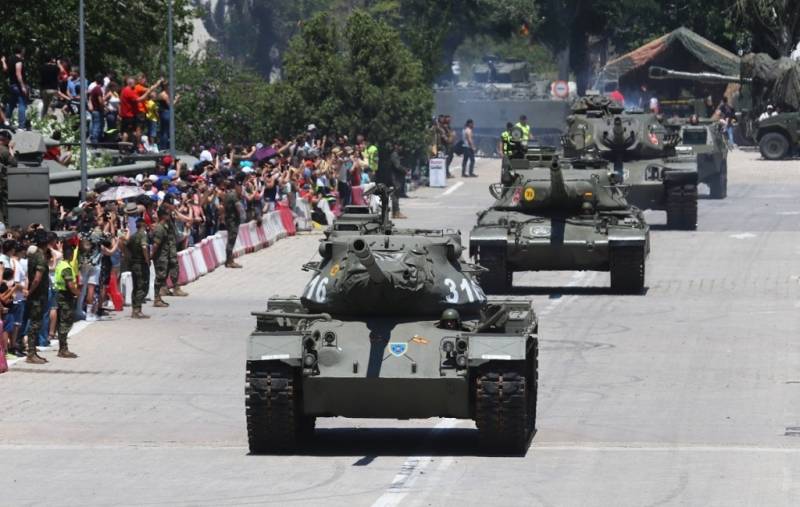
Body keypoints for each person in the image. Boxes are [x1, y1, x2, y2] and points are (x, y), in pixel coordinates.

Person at [26, 230, 50, 364]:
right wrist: (30, 292)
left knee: (35, 323)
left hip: (37, 294)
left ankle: (33, 352)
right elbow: (37, 279)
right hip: (38, 295)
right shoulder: (40, 257)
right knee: (35, 324)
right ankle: (31, 354)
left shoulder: (33, 255)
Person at [53, 239, 79, 357]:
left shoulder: (61, 264)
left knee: (62, 322)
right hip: (65, 296)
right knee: (65, 323)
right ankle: (63, 349)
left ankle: (62, 348)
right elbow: (70, 285)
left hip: (60, 295)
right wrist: (78, 293)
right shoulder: (66, 267)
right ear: (71, 253)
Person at [127, 217, 150, 318]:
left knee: (135, 287)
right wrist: (147, 259)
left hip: (133, 263)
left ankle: (134, 309)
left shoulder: (133, 236)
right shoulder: (143, 235)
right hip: (141, 264)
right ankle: (138, 310)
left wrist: (129, 257)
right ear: (143, 225)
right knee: (142, 286)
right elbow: (144, 247)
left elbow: (125, 246)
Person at [151, 208, 171, 307]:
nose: (169, 215)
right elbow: (156, 244)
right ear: (163, 216)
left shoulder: (163, 226)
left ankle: (158, 297)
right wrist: (151, 255)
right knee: (159, 277)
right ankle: (156, 298)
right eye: (167, 214)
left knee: (162, 277)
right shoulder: (160, 228)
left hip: (163, 255)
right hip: (160, 257)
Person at [3, 48, 29, 130]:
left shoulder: (10, 59)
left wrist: (3, 61)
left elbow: (5, 69)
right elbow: (18, 74)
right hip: (18, 85)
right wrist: (23, 86)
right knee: (22, 104)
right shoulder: (18, 60)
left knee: (11, 103)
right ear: (21, 51)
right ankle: (21, 126)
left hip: (12, 84)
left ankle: (6, 120)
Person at [223, 176, 244, 268]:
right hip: (233, 220)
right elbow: (238, 207)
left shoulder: (227, 194)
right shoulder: (233, 195)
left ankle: (229, 260)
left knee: (230, 240)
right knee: (231, 240)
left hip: (229, 219)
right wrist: (242, 217)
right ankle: (229, 261)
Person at [0, 129, 17, 224]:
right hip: (2, 185)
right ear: (6, 140)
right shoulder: (4, 150)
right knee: (4, 205)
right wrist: (11, 149)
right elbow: (14, 163)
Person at [389, 144, 408, 219]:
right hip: (395, 177)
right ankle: (396, 212)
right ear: (396, 146)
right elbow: (397, 166)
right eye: (400, 146)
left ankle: (395, 213)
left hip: (396, 177)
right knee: (396, 195)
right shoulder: (394, 154)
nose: (401, 147)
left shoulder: (396, 154)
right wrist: (405, 170)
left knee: (396, 195)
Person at [88, 74, 106, 144]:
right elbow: (100, 101)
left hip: (94, 110)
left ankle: (92, 138)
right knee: (97, 125)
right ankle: (94, 141)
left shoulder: (94, 89)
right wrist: (103, 108)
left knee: (94, 124)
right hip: (97, 110)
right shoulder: (98, 89)